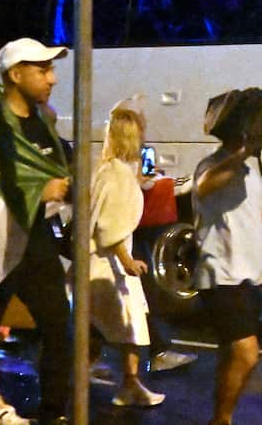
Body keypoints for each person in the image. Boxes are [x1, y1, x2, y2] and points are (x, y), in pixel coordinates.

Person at [0, 39, 73, 425]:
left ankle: (54, 413)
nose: (52, 79)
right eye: (43, 70)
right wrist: (39, 191)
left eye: (51, 69)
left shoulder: (43, 122)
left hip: (35, 242)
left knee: (60, 328)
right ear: (15, 74)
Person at [193, 106, 262, 425]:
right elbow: (203, 185)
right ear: (239, 135)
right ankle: (222, 419)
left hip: (245, 277)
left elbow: (261, 217)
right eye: (254, 133)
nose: (261, 139)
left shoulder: (250, 173)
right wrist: (241, 155)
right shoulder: (212, 165)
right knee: (246, 353)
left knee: (231, 354)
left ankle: (220, 417)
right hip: (219, 276)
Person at [88, 105, 166, 407]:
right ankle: (129, 386)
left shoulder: (109, 170)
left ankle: (101, 378)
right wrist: (127, 260)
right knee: (130, 324)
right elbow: (111, 225)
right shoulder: (116, 174)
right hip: (110, 264)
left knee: (100, 325)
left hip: (100, 262)